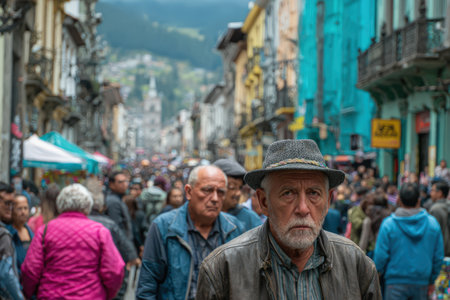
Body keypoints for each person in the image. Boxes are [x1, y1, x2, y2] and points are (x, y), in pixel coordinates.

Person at [196, 139, 381, 299]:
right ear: (264, 202)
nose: (302, 209)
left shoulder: (356, 265)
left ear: (328, 201)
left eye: (313, 193)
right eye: (288, 193)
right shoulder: (221, 269)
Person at [136, 165, 244, 299]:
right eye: (207, 190)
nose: (215, 198)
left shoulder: (235, 228)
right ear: (188, 192)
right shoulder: (163, 227)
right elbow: (147, 287)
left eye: (221, 192)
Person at [21, 184, 125, 299]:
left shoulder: (45, 230)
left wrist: (29, 293)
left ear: (60, 205)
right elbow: (115, 270)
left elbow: (30, 269)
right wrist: (106, 294)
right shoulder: (99, 231)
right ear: (87, 206)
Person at [374, 182, 444, 299]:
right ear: (419, 200)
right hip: (422, 283)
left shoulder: (388, 225)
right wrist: (432, 279)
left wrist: (378, 274)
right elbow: (438, 257)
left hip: (394, 283)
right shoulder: (432, 224)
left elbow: (380, 257)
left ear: (399, 200)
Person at [213, 158, 262, 231]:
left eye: (240, 188)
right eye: (232, 187)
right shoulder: (205, 215)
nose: (238, 193)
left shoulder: (250, 219)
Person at [0, 182, 23, 300]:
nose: (10, 208)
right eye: (6, 203)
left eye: (12, 204)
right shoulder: (3, 235)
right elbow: (7, 275)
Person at [6, 194, 34, 273]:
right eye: (19, 209)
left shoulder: (30, 231)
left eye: (25, 208)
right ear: (12, 210)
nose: (23, 212)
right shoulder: (9, 233)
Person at [105, 171, 133, 241]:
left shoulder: (118, 199)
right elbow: (116, 228)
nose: (125, 184)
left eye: (125, 181)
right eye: (120, 182)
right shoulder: (113, 201)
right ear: (111, 184)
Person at [428, 180, 450, 256]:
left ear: (440, 193)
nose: (430, 193)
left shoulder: (435, 209)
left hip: (442, 250)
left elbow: (433, 233)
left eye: (432, 190)